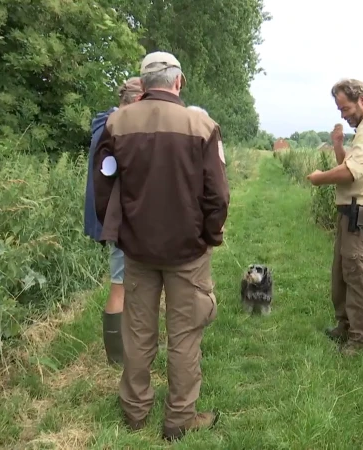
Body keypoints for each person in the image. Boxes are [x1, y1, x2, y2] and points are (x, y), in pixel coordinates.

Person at [92, 51, 229, 442]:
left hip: (137, 250)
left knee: (138, 331)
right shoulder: (201, 125)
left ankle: (135, 412)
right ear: (178, 82)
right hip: (188, 250)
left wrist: (118, 228)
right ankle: (179, 418)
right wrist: (211, 235)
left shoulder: (117, 122)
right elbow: (217, 194)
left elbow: (103, 182)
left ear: (144, 82)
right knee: (185, 334)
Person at [306, 78, 363, 356]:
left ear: (362, 101)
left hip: (362, 216)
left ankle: (362, 340)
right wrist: (337, 144)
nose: (343, 115)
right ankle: (345, 326)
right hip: (351, 215)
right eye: (339, 110)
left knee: (359, 277)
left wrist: (319, 179)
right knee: (343, 274)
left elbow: (350, 173)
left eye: (345, 108)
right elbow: (349, 165)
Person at [83, 76, 143, 366]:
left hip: (110, 217)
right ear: (134, 100)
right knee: (120, 285)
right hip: (118, 218)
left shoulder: (104, 124)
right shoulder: (117, 128)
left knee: (124, 283)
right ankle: (118, 358)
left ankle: (121, 349)